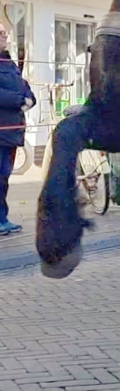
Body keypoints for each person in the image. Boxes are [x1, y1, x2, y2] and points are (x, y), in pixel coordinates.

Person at [0, 23, 35, 235]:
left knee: (4, 177)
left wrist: (30, 98)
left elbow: (24, 86)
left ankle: (2, 218)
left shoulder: (9, 62)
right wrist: (20, 100)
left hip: (12, 133)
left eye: (4, 32)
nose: (4, 36)